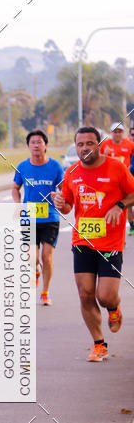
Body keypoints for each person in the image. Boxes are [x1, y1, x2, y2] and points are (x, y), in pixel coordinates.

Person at [51, 127, 134, 362]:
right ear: (75, 147)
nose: (85, 148)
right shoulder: (72, 172)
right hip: (82, 241)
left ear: (99, 144)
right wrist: (60, 203)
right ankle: (99, 344)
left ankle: (114, 308)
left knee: (105, 296)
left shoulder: (116, 168)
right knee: (85, 294)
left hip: (111, 242)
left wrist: (119, 205)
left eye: (89, 143)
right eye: (80, 144)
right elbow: (67, 205)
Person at [12, 130, 63, 305]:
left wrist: (60, 197)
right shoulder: (23, 167)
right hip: (29, 217)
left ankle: (45, 292)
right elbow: (15, 188)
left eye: (39, 142)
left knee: (47, 257)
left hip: (50, 217)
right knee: (30, 257)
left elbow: (63, 188)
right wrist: (18, 204)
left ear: (45, 145)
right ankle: (35, 269)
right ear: (28, 146)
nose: (36, 145)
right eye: (32, 142)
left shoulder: (55, 166)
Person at [100, 122, 134, 234]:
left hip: (126, 177)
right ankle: (114, 230)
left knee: (128, 202)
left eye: (119, 132)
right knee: (112, 204)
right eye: (115, 131)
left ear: (123, 133)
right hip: (110, 179)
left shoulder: (130, 145)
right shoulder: (105, 145)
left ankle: (131, 225)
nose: (117, 134)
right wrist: (104, 155)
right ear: (111, 133)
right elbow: (99, 162)